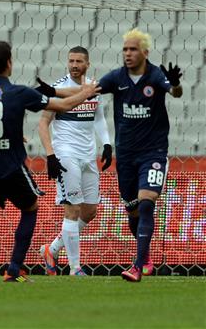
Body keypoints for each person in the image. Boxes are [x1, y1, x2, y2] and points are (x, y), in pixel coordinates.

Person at [0, 41, 99, 283]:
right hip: (10, 165)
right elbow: (64, 105)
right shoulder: (19, 92)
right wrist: (86, 92)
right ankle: (14, 269)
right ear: (9, 63)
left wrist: (14, 131)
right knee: (30, 207)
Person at [44, 29, 183, 282]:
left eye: (133, 49)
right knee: (131, 210)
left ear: (145, 52)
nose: (127, 54)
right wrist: (52, 93)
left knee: (141, 203)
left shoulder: (155, 76)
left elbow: (175, 93)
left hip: (151, 152)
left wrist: (175, 85)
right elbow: (82, 95)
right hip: (119, 156)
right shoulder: (115, 78)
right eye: (125, 49)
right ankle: (63, 257)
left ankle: (136, 265)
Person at [37, 46, 113, 276]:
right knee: (72, 209)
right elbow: (43, 123)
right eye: (71, 61)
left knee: (89, 211)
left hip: (88, 155)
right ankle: (75, 268)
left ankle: (51, 249)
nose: (74, 65)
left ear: (87, 64)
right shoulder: (58, 89)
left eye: (79, 61)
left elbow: (98, 118)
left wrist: (107, 143)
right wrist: (51, 154)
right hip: (66, 154)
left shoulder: (93, 88)